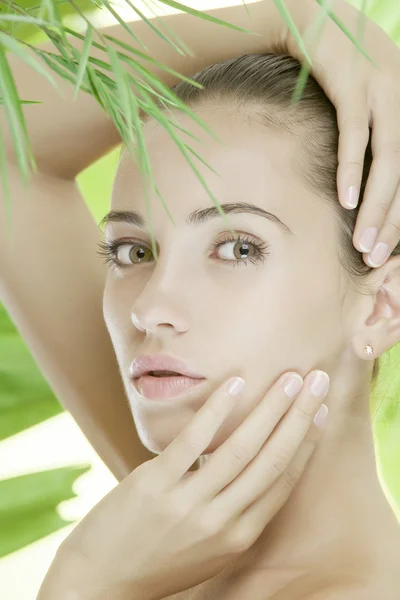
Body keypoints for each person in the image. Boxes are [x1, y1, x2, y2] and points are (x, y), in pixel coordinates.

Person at [1, 0, 400, 598]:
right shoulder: (166, 533)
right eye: (133, 251)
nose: (149, 307)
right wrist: (286, 19)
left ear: (381, 306)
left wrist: (87, 582)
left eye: (238, 248)